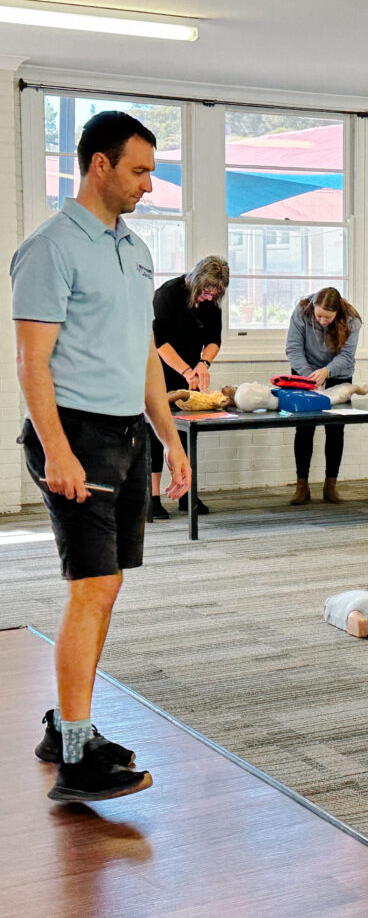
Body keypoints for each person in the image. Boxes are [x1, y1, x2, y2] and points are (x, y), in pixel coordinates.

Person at [12, 110, 191, 802]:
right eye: (140, 169)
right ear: (99, 165)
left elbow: (142, 353)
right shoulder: (51, 248)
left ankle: (65, 726)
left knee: (107, 585)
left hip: (126, 436)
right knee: (94, 588)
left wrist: (170, 436)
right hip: (75, 438)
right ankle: (78, 756)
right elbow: (31, 364)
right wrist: (57, 450)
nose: (150, 183)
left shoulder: (136, 248)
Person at [148, 255, 230, 519]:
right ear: (196, 281)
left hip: (189, 373)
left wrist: (203, 363)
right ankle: (152, 499)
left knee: (184, 433)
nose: (209, 298)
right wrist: (185, 369)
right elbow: (161, 343)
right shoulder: (168, 294)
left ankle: (185, 495)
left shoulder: (211, 303)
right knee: (155, 433)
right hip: (160, 369)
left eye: (215, 294)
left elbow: (214, 339)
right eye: (206, 292)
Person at [284, 286, 362, 504]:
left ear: (337, 313)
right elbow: (293, 348)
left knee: (335, 429)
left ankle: (331, 485)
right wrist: (309, 375)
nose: (322, 320)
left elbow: (347, 356)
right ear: (313, 308)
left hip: (338, 373)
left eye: (328, 317)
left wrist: (327, 371)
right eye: (319, 315)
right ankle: (302, 486)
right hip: (304, 371)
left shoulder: (352, 320)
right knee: (304, 428)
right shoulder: (301, 312)